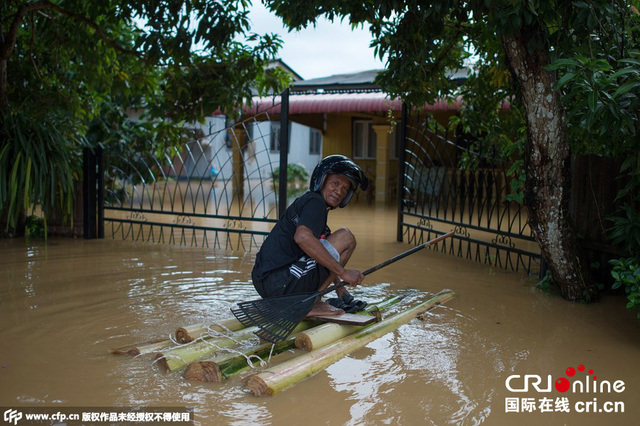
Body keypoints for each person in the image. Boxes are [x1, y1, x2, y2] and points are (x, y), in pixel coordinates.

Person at [251, 155, 369, 316]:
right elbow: (303, 237)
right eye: (335, 183)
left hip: (268, 283)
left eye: (344, 189)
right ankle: (311, 303)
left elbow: (322, 254)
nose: (339, 191)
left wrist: (342, 292)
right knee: (346, 238)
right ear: (322, 180)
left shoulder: (309, 205)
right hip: (280, 282)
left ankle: (311, 300)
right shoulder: (316, 203)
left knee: (327, 244)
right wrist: (343, 272)